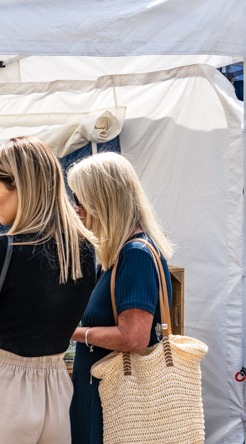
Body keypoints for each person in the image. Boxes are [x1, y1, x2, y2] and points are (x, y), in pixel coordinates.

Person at [0, 136, 96, 443]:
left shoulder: (7, 251)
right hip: (55, 389)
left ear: (20, 189)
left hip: (2, 392)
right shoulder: (83, 250)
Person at [65, 152, 172, 444]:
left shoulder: (134, 255)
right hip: (105, 394)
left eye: (79, 199)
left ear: (101, 201)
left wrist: (71, 332)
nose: (75, 209)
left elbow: (133, 338)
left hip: (115, 403)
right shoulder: (121, 253)